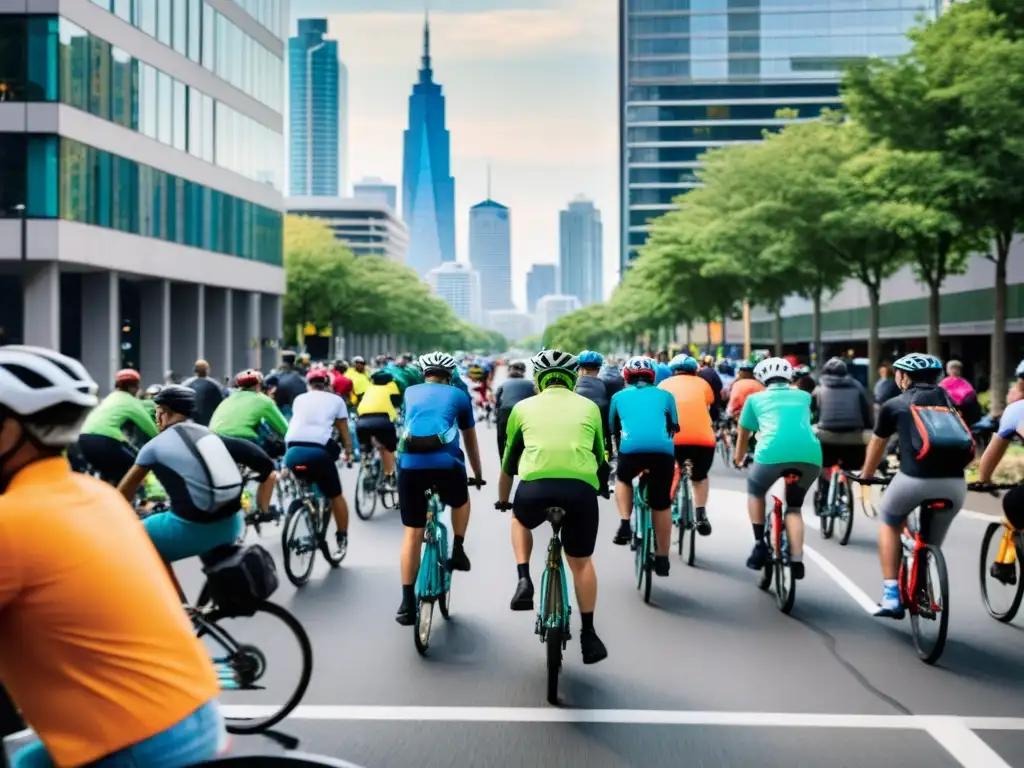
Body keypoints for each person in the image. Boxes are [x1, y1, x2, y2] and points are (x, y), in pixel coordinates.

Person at [0, 347, 227, 767]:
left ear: (9, 430)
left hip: (131, 743)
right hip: (194, 715)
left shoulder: (12, 521)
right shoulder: (96, 495)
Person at [497, 350, 609, 665]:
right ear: (573, 379)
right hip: (579, 491)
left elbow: (509, 463)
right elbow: (600, 455)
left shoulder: (522, 407)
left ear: (539, 379)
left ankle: (523, 578)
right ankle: (588, 634)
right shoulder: (589, 406)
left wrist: (504, 499)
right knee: (582, 563)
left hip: (535, 488)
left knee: (520, 521)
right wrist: (600, 486)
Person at [858, 353, 971, 618]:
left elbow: (877, 445)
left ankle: (891, 596)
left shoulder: (894, 404)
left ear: (903, 376)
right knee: (931, 542)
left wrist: (866, 475)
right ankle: (924, 583)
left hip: (913, 481)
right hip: (955, 485)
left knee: (888, 521)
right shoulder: (950, 401)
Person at [117, 385, 274, 563]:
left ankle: (166, 591)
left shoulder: (153, 447)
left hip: (189, 531)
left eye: (157, 412)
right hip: (233, 525)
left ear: (163, 413)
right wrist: (262, 506)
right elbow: (266, 464)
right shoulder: (212, 436)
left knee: (126, 542)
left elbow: (123, 493)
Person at [394, 352, 484, 626]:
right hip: (446, 465)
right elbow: (469, 439)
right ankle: (457, 547)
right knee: (460, 500)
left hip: (409, 465)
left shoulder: (410, 392)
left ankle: (407, 603)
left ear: (424, 373)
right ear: (450, 375)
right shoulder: (458, 395)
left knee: (412, 532)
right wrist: (478, 474)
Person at [734, 357, 821, 580]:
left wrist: (738, 458)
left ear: (761, 378)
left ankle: (759, 543)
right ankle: (797, 560)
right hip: (809, 456)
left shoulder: (755, 399)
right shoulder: (803, 396)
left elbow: (744, 433)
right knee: (793, 508)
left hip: (771, 455)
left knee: (755, 490)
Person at [608, 356, 680, 577]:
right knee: (662, 504)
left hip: (631, 452)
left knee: (622, 479)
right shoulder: (667, 396)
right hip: (662, 454)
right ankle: (663, 558)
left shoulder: (618, 397)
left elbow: (612, 427)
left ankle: (624, 523)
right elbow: (674, 426)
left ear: (627, 376)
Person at [284, 368, 356, 559]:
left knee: (304, 474)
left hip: (292, 453)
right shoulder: (337, 400)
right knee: (336, 495)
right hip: (318, 454)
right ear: (327, 384)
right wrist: (349, 452)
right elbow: (343, 431)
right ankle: (342, 537)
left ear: (309, 385)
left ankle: (305, 505)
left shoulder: (299, 399)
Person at [659, 354, 715, 535]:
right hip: (703, 440)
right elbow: (711, 406)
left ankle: (666, 503)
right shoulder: (704, 384)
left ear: (672, 371)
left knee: (667, 471)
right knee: (699, 477)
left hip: (672, 439)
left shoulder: (664, 385)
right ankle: (700, 514)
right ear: (695, 370)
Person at [811, 357, 873, 511]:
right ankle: (845, 487)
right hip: (853, 438)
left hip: (827, 437)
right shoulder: (858, 387)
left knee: (824, 463)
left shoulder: (819, 389)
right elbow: (867, 413)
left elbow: (811, 412)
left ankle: (824, 491)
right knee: (851, 465)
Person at [77, 368, 158, 484]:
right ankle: (124, 500)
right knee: (136, 469)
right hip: (104, 440)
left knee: (110, 477)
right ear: (134, 387)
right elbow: (150, 428)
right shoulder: (130, 401)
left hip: (84, 439)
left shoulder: (110, 398)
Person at [356, 368, 402, 491]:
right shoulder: (392, 387)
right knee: (389, 448)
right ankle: (389, 478)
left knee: (366, 446)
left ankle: (367, 465)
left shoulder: (368, 388)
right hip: (383, 421)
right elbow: (398, 404)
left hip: (362, 422)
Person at [494, 360, 535, 457]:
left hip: (505, 412)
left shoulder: (503, 384)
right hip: (525, 413)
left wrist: (496, 415)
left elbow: (497, 402)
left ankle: (503, 463)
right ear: (524, 372)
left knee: (501, 438)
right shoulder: (531, 384)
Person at [575, 350, 612, 456]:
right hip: (599, 440)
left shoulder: (573, 388)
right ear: (598, 370)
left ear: (579, 369)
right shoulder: (605, 387)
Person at [265, 351, 308, 419]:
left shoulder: (279, 375)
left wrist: (277, 370)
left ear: (283, 362)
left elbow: (265, 381)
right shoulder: (302, 374)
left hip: (284, 409)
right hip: (299, 408)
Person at [940, 359, 983, 426]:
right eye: (952, 368)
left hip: (964, 411)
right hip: (948, 411)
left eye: (957, 368)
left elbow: (970, 395)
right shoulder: (944, 382)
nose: (954, 371)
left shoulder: (965, 383)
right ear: (948, 370)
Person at [182, 359, 224, 426]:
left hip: (190, 424)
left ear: (194, 370)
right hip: (209, 424)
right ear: (207, 370)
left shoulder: (186, 385)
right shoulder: (215, 385)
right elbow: (221, 406)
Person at [697, 355, 724, 425]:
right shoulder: (713, 372)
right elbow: (720, 386)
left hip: (701, 401)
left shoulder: (699, 372)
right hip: (713, 402)